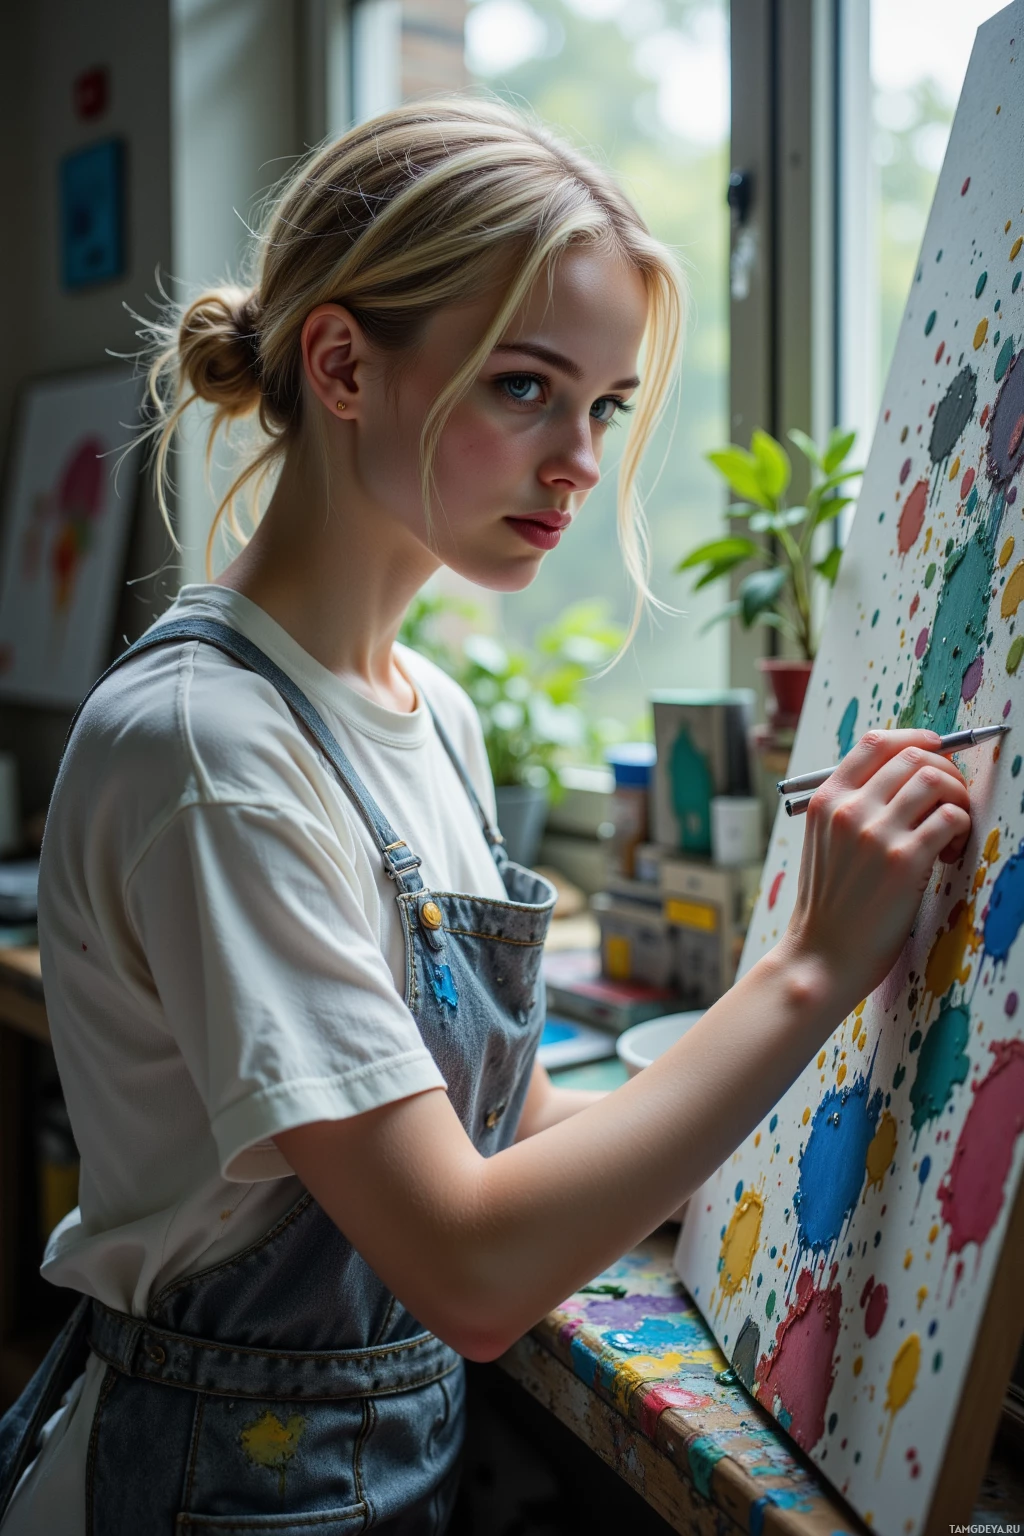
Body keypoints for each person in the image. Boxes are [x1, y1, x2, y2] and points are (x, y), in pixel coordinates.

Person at [0, 95, 972, 1534]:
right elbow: (464, 1268)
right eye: (528, 386)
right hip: (205, 1490)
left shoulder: (432, 713)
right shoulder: (210, 751)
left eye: (606, 405)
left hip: (384, 1469)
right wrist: (808, 970)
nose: (581, 457)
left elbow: (510, 1125)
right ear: (340, 361)